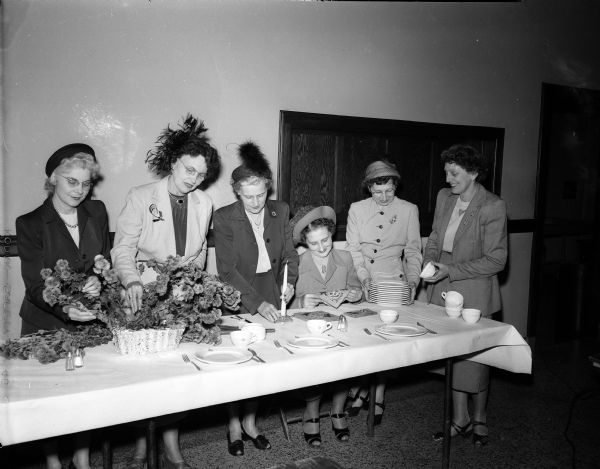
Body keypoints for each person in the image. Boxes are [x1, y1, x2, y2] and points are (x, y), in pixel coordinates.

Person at [111, 114, 220, 469]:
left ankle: (172, 451)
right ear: (174, 164)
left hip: (180, 299)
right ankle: (142, 450)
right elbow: (123, 248)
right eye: (189, 170)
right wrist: (130, 282)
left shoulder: (204, 203)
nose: (195, 180)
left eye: (201, 174)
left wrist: (193, 287)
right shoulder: (141, 197)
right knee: (144, 378)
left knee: (176, 377)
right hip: (142, 295)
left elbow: (200, 249)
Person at [16, 143, 109, 469]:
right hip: (47, 320)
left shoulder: (96, 212)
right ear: (53, 178)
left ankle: (81, 461)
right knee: (51, 400)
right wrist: (66, 307)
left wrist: (100, 278)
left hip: (87, 320)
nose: (79, 190)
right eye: (71, 181)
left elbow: (103, 261)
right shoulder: (30, 223)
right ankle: (54, 463)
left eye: (85, 183)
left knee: (85, 394)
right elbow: (36, 285)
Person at [213, 141, 298, 456]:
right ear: (236, 191)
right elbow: (226, 271)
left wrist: (291, 282)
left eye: (260, 194)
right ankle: (234, 424)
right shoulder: (223, 218)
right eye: (247, 196)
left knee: (262, 364)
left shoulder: (281, 209)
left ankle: (250, 423)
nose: (255, 201)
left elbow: (289, 255)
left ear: (268, 187)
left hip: (271, 290)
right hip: (239, 294)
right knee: (239, 364)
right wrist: (257, 303)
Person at [422, 144, 507, 446]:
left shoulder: (492, 205)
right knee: (452, 358)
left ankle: (480, 418)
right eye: (446, 172)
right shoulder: (445, 197)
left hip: (473, 290)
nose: (448, 179)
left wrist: (451, 269)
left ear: (473, 173)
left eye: (454, 173)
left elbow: (497, 260)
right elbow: (434, 236)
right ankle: (460, 419)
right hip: (443, 286)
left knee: (475, 359)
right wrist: (429, 260)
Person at [345, 158, 422, 424]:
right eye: (378, 192)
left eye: (389, 190)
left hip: (394, 284)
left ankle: (377, 394)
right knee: (365, 340)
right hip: (363, 278)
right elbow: (353, 249)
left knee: (386, 341)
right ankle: (364, 389)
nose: (384, 196)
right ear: (368, 188)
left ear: (395, 185)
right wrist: (364, 278)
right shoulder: (357, 209)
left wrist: (413, 281)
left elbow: (413, 250)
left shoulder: (409, 209)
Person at [289, 205, 361, 446]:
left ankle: (338, 411)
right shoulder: (296, 263)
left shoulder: (345, 257)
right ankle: (311, 413)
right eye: (314, 244)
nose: (321, 248)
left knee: (345, 365)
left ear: (332, 234)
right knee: (315, 371)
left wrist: (354, 294)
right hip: (309, 330)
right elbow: (284, 304)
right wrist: (300, 301)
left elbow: (357, 288)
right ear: (304, 243)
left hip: (340, 326)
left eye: (326, 240)